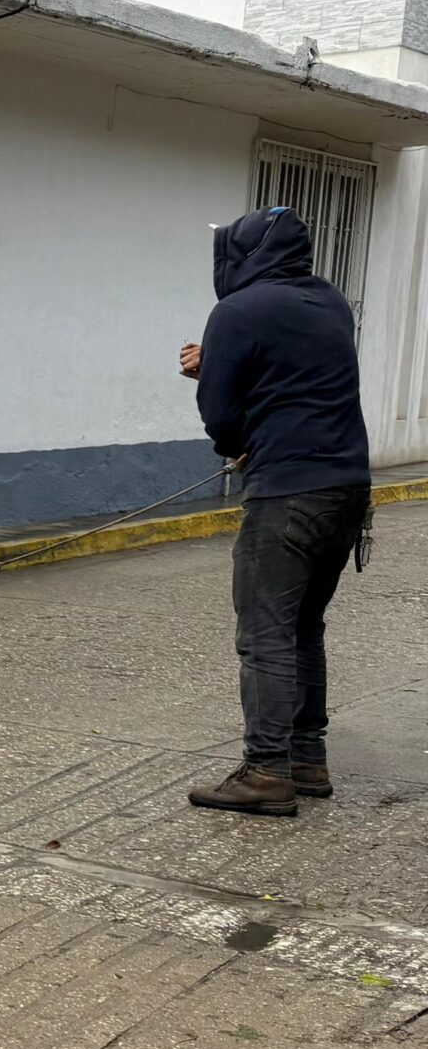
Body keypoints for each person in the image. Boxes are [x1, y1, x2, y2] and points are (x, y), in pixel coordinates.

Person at [179, 206, 373, 817]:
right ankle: (307, 759)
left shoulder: (235, 312)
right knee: (304, 626)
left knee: (265, 633)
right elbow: (294, 375)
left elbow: (220, 413)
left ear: (243, 254)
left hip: (287, 490)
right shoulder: (332, 302)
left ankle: (265, 771)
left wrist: (233, 438)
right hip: (348, 488)